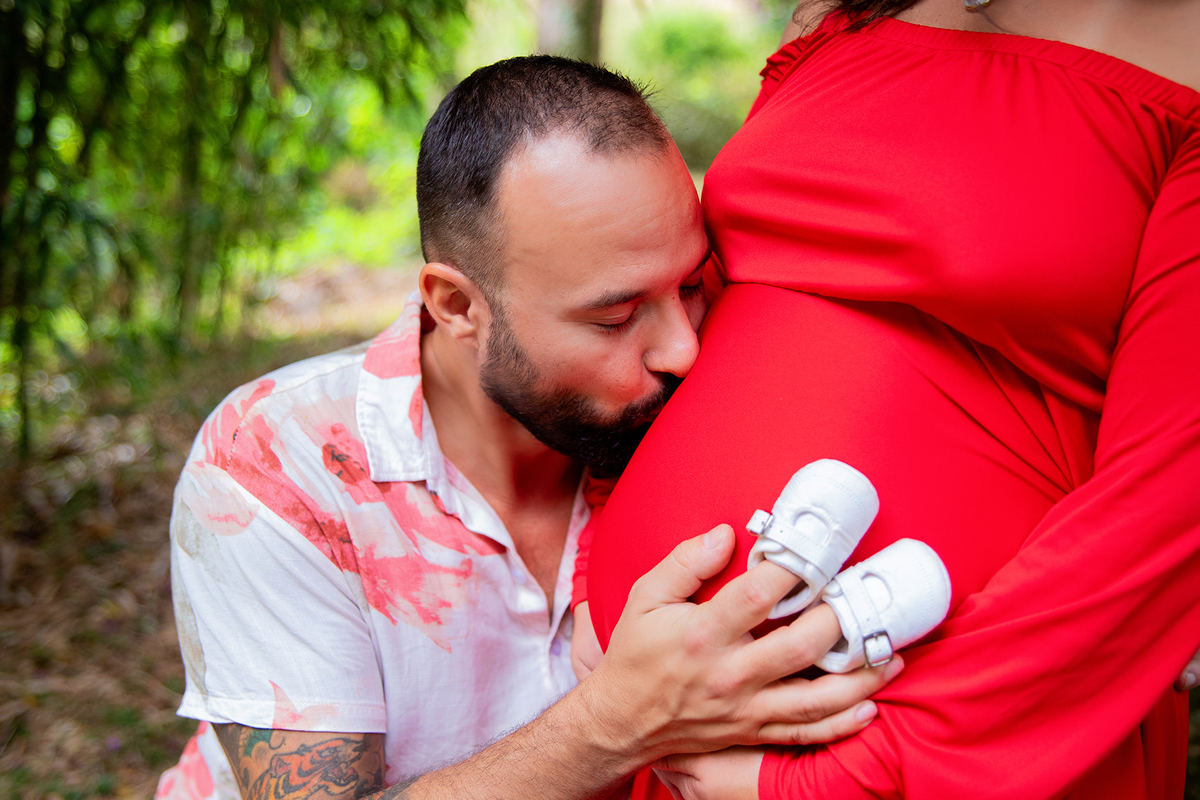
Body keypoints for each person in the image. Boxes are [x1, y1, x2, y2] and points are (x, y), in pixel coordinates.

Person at [154, 56, 899, 800]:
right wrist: (618, 721)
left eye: (692, 285)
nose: (684, 349)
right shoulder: (275, 464)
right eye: (614, 316)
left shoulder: (696, 405)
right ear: (456, 307)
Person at [582, 1, 1200, 798]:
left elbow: (1169, 500)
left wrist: (848, 777)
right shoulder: (839, 18)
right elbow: (711, 309)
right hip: (668, 697)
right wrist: (602, 582)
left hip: (936, 736)